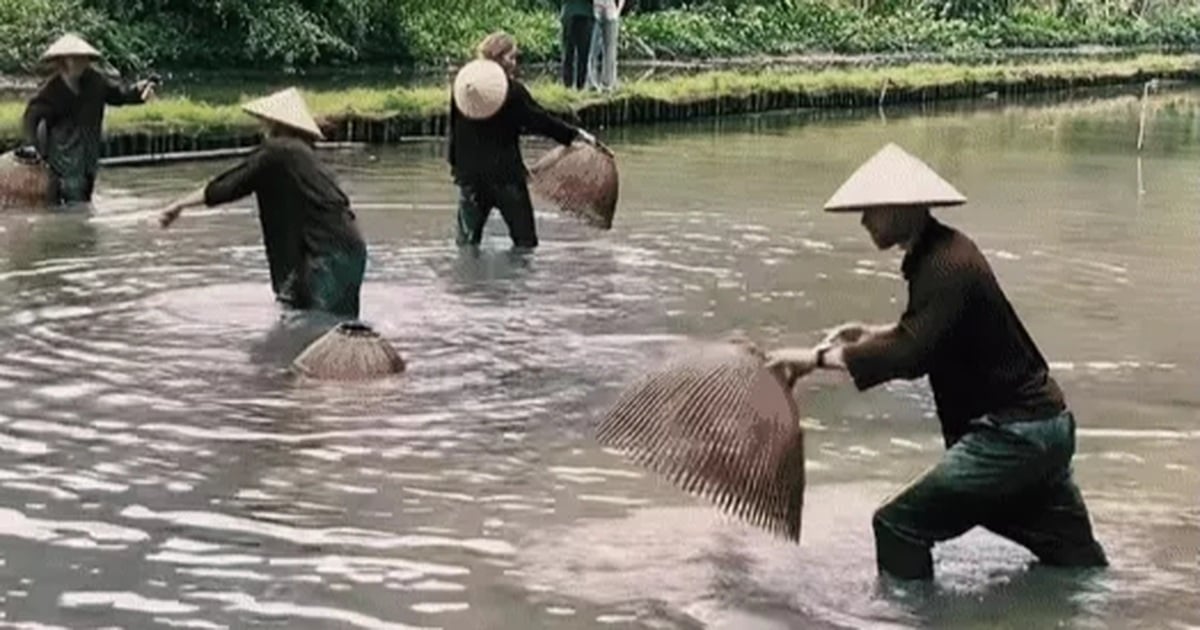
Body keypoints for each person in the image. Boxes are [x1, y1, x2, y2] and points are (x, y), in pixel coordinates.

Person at [766, 143, 1108, 581]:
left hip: (1013, 436)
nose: (864, 220)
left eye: (872, 209)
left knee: (897, 527)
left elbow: (911, 354)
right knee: (1076, 565)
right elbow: (933, 337)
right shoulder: (940, 255)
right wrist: (875, 334)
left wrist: (812, 359)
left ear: (904, 207)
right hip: (1043, 427)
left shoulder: (946, 265)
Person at [158, 88, 368, 320]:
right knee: (334, 326)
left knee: (315, 327)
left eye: (265, 123)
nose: (262, 128)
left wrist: (179, 205)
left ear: (275, 124)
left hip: (326, 256)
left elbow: (230, 184)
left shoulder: (276, 152)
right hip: (348, 249)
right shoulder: (303, 155)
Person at [448, 32, 601, 249]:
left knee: (466, 245)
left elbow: (454, 132)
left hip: (470, 178)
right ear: (500, 58)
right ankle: (519, 283)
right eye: (511, 57)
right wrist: (574, 134)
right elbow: (540, 121)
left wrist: (456, 167)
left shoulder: (463, 88)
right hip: (506, 178)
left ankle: (469, 282)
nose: (515, 63)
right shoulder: (512, 91)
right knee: (525, 242)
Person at [20, 33, 156, 205]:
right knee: (69, 199)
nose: (79, 62)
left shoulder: (95, 81)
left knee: (83, 197)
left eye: (82, 58)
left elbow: (118, 95)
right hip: (63, 156)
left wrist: (137, 93)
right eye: (74, 58)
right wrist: (33, 145)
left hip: (89, 153)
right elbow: (31, 117)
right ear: (62, 61)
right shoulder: (51, 91)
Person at [588, 0, 625, 91]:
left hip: (611, 8)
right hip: (594, 8)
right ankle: (591, 82)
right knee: (592, 48)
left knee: (610, 49)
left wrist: (618, 10)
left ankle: (608, 83)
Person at [561, 0, 595, 89]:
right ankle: (579, 85)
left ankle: (569, 85)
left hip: (571, 12)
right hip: (583, 13)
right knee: (582, 54)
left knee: (569, 52)